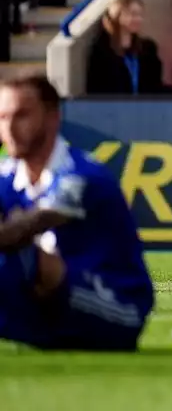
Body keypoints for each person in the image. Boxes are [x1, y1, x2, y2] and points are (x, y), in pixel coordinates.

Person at [0, 73, 154, 350]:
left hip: (119, 307)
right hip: (57, 307)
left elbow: (31, 225)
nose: (9, 128)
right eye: (2, 117)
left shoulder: (80, 174)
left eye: (21, 115)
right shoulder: (6, 175)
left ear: (52, 117)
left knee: (21, 258)